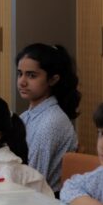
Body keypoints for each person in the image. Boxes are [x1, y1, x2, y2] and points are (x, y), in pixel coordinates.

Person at [16, 43, 81, 192]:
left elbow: (33, 180)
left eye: (32, 75)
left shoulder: (51, 122)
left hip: (43, 201)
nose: (22, 81)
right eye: (20, 73)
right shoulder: (26, 116)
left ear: (53, 79)